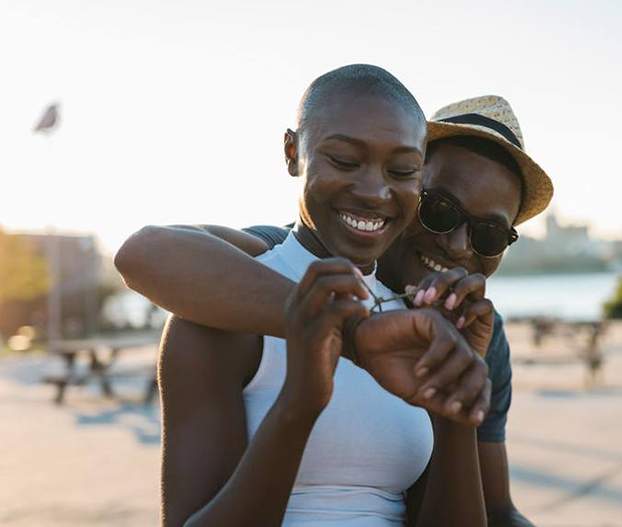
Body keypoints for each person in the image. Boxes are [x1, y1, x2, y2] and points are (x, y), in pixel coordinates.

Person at [117, 95, 553, 526]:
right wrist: (354, 334)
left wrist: (456, 395)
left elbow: (494, 510)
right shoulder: (275, 267)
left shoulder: (476, 333)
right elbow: (146, 253)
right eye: (440, 210)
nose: (458, 246)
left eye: (490, 235)